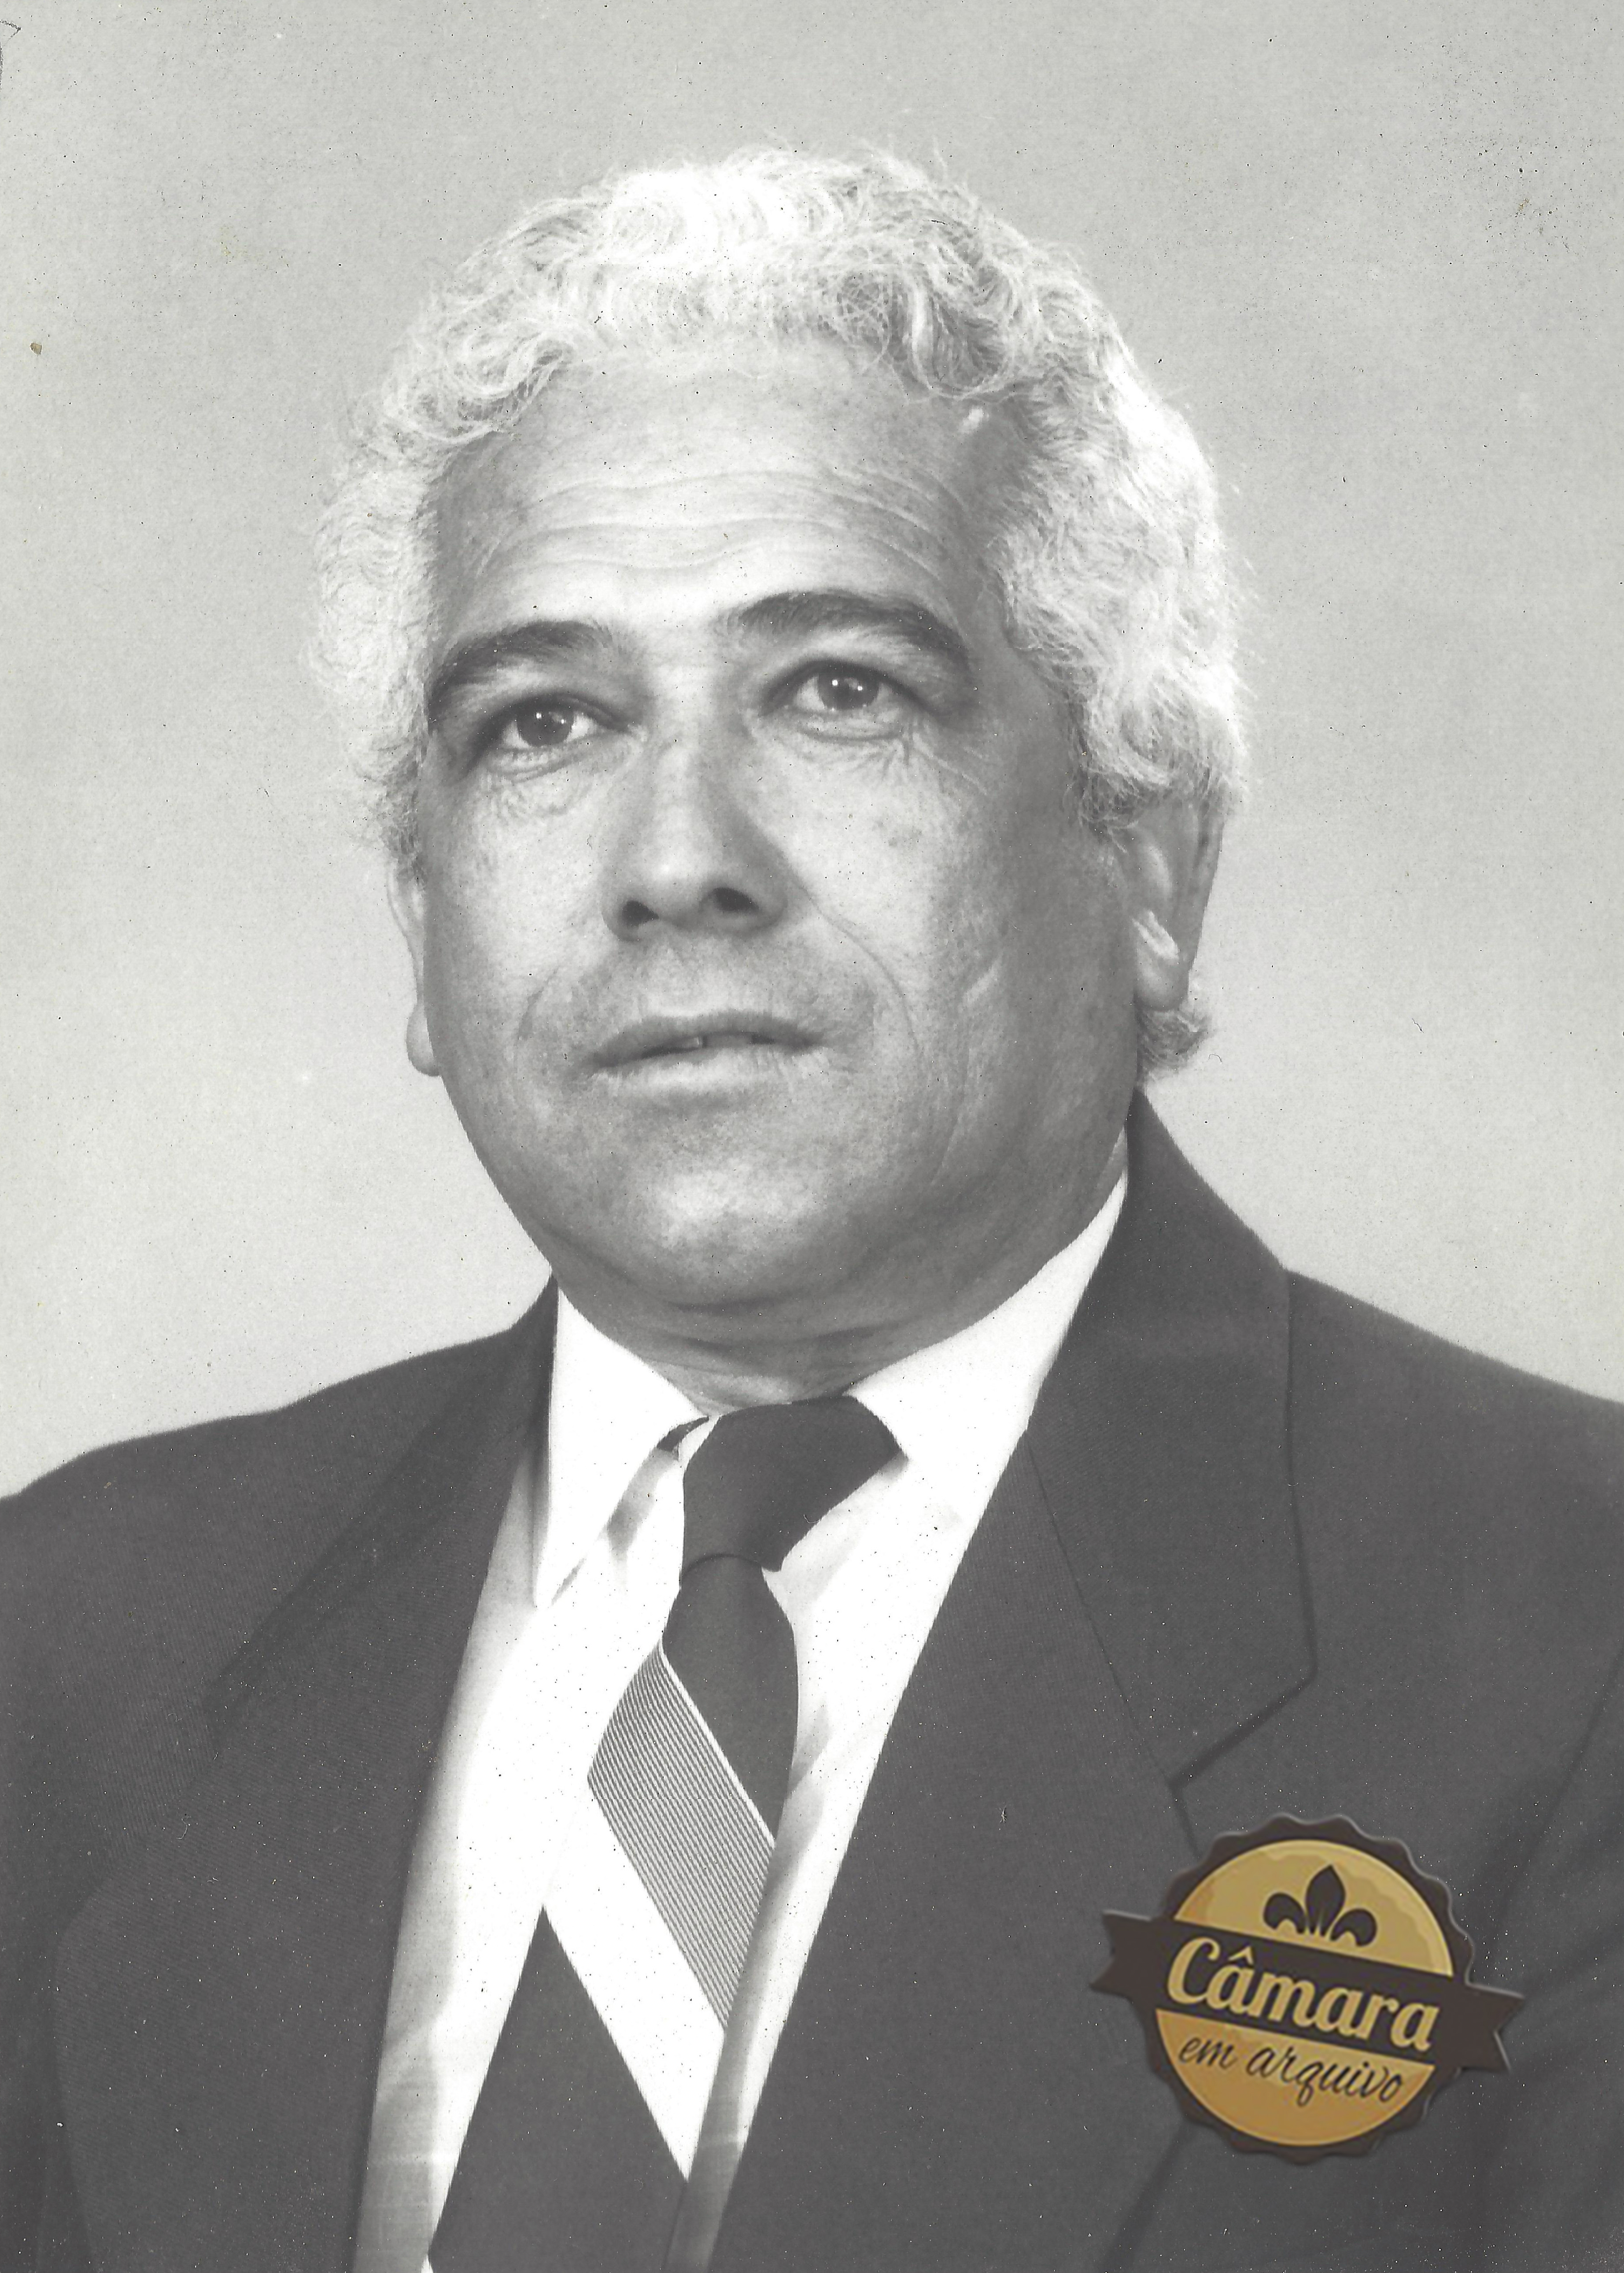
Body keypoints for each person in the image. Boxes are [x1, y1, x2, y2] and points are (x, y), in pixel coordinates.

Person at [3, 150, 1620, 2273]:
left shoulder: (1571, 1630)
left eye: (840, 688)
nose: (678, 857)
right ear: (420, 916)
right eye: (545, 721)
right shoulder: (72, 1632)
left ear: (1148, 856)